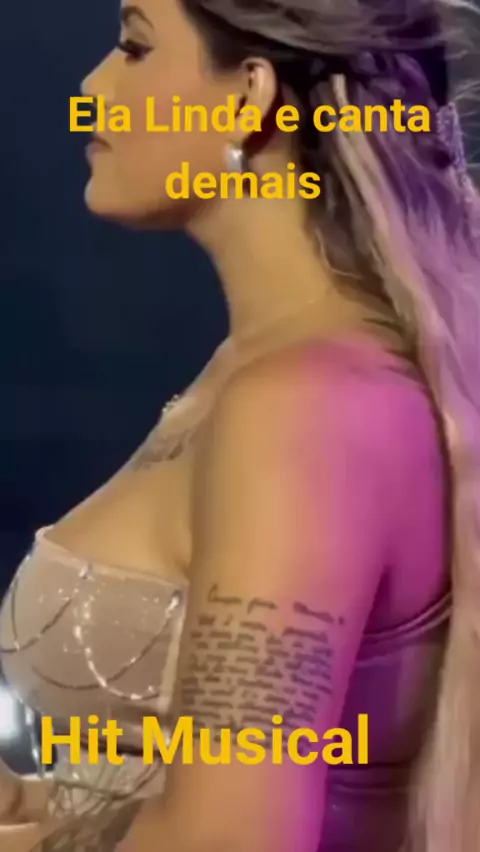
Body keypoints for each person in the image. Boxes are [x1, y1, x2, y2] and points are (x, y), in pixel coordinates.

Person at [0, 0, 479, 849]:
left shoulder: (307, 407)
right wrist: (44, 814)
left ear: (249, 96)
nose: (91, 87)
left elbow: (227, 839)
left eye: (134, 47)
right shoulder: (265, 370)